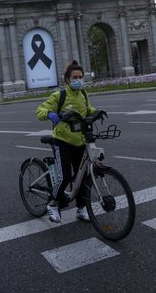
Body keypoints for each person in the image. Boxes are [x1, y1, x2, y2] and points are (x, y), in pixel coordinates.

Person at [36, 60, 98, 223]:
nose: (78, 80)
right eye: (75, 77)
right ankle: (53, 204)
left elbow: (87, 109)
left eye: (80, 77)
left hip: (80, 141)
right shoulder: (60, 95)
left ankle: (81, 208)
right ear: (67, 80)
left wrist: (96, 112)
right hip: (63, 140)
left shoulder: (83, 94)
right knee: (65, 176)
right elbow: (40, 110)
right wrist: (50, 114)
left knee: (82, 177)